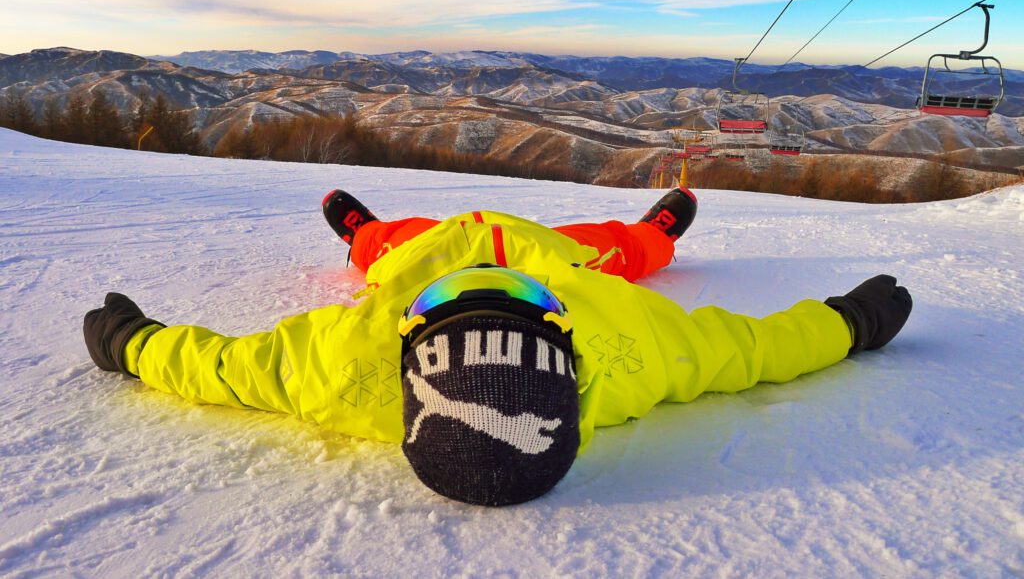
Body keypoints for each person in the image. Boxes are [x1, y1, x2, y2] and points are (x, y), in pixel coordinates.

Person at [84, 188, 912, 506]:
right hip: (552, 250)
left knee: (384, 250)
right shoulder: (626, 343)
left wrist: (134, 342)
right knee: (620, 250)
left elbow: (227, 366)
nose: (488, 280)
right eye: (526, 309)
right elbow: (755, 348)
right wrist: (851, 320)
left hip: (426, 252)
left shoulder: (351, 362)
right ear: (566, 344)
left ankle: (360, 231)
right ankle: (654, 229)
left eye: (454, 310)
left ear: (409, 344)